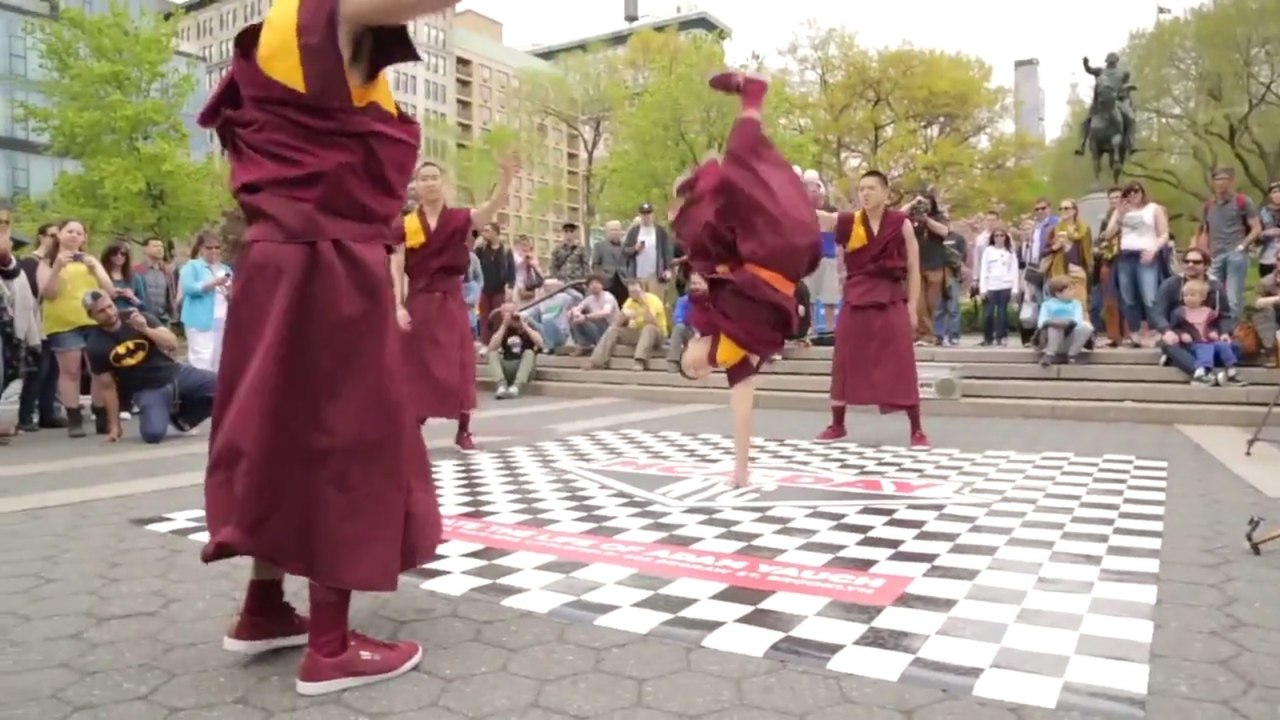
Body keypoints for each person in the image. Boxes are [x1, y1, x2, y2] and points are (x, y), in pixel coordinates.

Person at [196, 0, 459, 697]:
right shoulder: (316, 18)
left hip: (280, 261)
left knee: (279, 431)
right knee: (347, 437)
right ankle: (331, 646)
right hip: (328, 265)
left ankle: (264, 607)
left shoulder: (291, 36)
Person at [673, 71, 820, 488]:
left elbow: (711, 269)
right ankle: (711, 181)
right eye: (695, 371)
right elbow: (743, 415)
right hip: (781, 257)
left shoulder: (706, 316)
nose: (695, 363)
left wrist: (710, 270)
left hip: (759, 249)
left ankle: (750, 99)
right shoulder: (737, 360)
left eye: (688, 362)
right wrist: (741, 470)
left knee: (718, 204)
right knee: (742, 172)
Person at [392, 158, 514, 453]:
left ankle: (463, 430)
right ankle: (413, 427)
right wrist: (398, 306)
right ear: (415, 186)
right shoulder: (406, 224)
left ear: (443, 183)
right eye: (424, 178)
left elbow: (489, 210)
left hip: (451, 300)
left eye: (434, 177)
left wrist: (506, 180)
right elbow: (396, 265)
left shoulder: (459, 218)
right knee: (416, 365)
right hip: (419, 301)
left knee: (459, 364)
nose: (429, 182)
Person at [814, 170, 928, 448]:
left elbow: (914, 268)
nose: (865, 193)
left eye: (871, 188)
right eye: (861, 188)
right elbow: (822, 218)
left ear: (886, 193)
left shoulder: (901, 223)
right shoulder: (851, 221)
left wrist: (912, 307)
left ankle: (916, 428)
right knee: (844, 360)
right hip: (856, 300)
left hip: (890, 299)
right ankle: (837, 424)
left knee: (901, 361)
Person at [82, 289, 216, 442]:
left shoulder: (137, 317)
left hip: (173, 373)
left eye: (110, 306)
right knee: (153, 435)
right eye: (101, 311)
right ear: (91, 316)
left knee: (223, 386)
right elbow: (108, 387)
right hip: (146, 389)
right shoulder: (96, 344)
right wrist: (115, 426)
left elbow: (172, 343)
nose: (109, 313)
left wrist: (144, 329)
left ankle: (185, 418)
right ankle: (161, 411)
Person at [1169, 279, 1244, 386]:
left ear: (1203, 297)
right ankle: (1200, 372)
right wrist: (1181, 334)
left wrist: (1213, 332)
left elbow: (1213, 325)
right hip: (1193, 343)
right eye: (1186, 295)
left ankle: (1231, 369)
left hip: (1208, 340)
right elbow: (1174, 328)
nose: (1188, 298)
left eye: (1192, 295)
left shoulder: (1209, 313)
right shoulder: (1179, 313)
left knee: (1223, 345)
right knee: (1205, 348)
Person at [179, 232, 233, 372]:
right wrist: (213, 283)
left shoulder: (226, 269)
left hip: (222, 319)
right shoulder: (192, 266)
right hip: (199, 319)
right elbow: (189, 288)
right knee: (202, 358)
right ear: (200, 249)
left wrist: (230, 292)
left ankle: (215, 385)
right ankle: (201, 385)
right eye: (209, 248)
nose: (213, 251)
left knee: (218, 358)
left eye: (217, 247)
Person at [487, 302, 542, 398]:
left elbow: (540, 343)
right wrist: (504, 326)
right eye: (506, 313)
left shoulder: (526, 324)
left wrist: (524, 326)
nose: (510, 315)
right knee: (492, 353)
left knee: (529, 352)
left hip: (525, 368)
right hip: (508, 365)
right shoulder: (501, 327)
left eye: (512, 312)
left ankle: (516, 387)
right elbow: (491, 347)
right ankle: (501, 386)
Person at [1036, 275, 1093, 366]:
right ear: (1058, 293)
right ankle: (1049, 354)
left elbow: (1078, 320)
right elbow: (1041, 322)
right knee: (1053, 325)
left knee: (1087, 326)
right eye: (1069, 290)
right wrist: (1057, 323)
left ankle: (1072, 355)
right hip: (1052, 340)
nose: (1073, 292)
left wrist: (1067, 323)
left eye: (1073, 289)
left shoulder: (1076, 304)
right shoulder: (1047, 305)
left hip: (1070, 340)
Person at [978, 226, 1019, 346]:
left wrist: (1015, 289)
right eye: (996, 236)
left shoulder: (1010, 252)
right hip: (991, 286)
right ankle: (988, 338)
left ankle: (1000, 336)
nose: (999, 238)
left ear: (1005, 237)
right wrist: (983, 289)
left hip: (1005, 285)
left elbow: (1014, 271)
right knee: (988, 314)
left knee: (1002, 313)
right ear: (993, 238)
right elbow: (984, 270)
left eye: (1002, 235)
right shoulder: (988, 251)